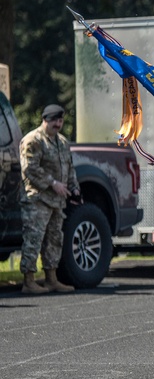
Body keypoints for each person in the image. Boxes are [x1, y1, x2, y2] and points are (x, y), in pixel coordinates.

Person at [18, 103, 79, 294]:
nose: (58, 124)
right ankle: (29, 281)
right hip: (38, 199)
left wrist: (74, 188)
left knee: (54, 240)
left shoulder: (62, 142)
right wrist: (52, 183)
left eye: (60, 120)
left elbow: (69, 167)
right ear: (45, 120)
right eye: (54, 120)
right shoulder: (33, 140)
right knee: (33, 239)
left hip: (57, 201)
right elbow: (29, 168)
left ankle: (51, 279)